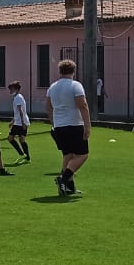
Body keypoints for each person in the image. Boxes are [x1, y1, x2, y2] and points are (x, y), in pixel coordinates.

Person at [46, 59, 92, 197]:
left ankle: (69, 188)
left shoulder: (52, 87)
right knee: (82, 155)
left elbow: (49, 107)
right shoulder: (75, 85)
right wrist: (87, 125)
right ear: (74, 71)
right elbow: (82, 105)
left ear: (60, 71)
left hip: (59, 126)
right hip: (74, 125)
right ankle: (63, 179)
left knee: (68, 155)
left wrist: (54, 122)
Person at [7, 81, 31, 161]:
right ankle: (27, 157)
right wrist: (13, 121)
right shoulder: (18, 97)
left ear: (16, 89)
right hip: (20, 122)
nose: (10, 90)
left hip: (20, 123)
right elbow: (18, 112)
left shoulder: (18, 98)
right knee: (21, 140)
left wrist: (23, 122)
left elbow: (21, 111)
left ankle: (22, 155)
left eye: (11, 89)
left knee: (10, 138)